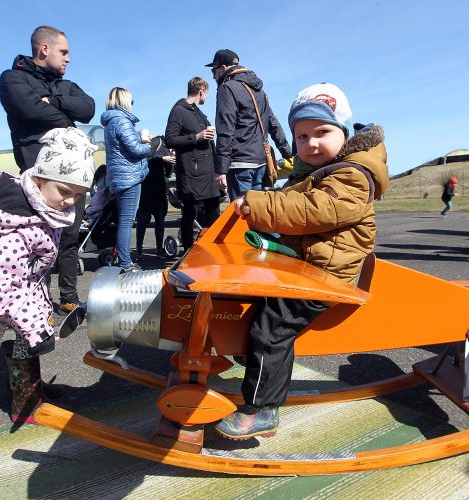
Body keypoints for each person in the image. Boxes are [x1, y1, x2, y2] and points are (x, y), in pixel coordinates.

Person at [214, 83, 389, 440]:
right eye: (301, 136)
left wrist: (258, 204)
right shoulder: (317, 172)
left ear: (344, 132)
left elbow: (313, 211)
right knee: (251, 296)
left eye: (322, 132)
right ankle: (255, 359)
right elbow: (290, 201)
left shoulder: (352, 176)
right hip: (307, 267)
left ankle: (262, 409)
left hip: (327, 278)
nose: (311, 144)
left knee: (273, 327)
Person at [0, 127, 96, 424]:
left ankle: (29, 389)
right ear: (38, 179)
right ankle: (24, 405)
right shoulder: (12, 226)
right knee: (27, 335)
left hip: (22, 288)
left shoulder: (41, 205)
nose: (69, 202)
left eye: (77, 196)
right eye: (64, 191)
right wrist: (30, 321)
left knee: (26, 340)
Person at [0, 25, 96, 315]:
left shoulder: (66, 85)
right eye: (63, 52)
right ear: (45, 49)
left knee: (69, 234)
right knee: (35, 237)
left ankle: (68, 296)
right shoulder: (12, 79)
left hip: (74, 172)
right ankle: (31, 301)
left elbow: (88, 108)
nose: (68, 59)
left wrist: (53, 102)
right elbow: (29, 110)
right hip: (38, 169)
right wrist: (66, 117)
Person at [205, 49, 292, 201]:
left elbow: (226, 129)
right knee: (256, 213)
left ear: (223, 68)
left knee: (240, 216)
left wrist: (221, 169)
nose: (214, 76)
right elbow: (274, 124)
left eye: (214, 71)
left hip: (240, 164)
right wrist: (288, 154)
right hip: (260, 163)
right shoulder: (258, 90)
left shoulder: (228, 88)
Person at [165, 77, 222, 252]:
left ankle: (215, 248)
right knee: (190, 211)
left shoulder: (198, 113)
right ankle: (188, 249)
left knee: (214, 210)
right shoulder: (178, 110)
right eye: (207, 94)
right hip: (191, 173)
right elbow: (170, 139)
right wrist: (196, 137)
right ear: (201, 91)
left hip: (207, 172)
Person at [101, 87, 151, 272]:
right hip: (129, 176)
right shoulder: (122, 121)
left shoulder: (110, 122)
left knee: (123, 219)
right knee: (126, 220)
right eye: (131, 101)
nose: (132, 104)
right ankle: (125, 262)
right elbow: (135, 150)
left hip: (118, 176)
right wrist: (148, 145)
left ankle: (123, 259)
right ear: (124, 101)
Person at [135, 136, 175, 259]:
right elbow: (145, 160)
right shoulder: (157, 142)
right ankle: (139, 250)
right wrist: (163, 159)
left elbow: (168, 172)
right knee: (143, 220)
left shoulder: (171, 149)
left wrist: (170, 164)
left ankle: (159, 249)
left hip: (161, 188)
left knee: (160, 220)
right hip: (147, 187)